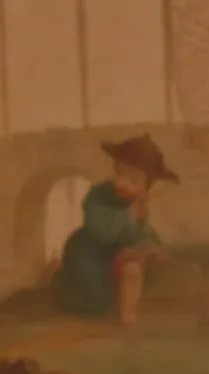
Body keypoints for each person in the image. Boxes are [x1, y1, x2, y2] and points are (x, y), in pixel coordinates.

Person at [51, 135, 174, 326]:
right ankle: (61, 285)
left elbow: (141, 230)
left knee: (133, 268)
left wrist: (153, 245)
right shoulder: (99, 195)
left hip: (117, 254)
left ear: (144, 187)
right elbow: (100, 229)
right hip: (90, 251)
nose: (123, 183)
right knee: (92, 298)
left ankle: (127, 317)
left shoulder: (137, 206)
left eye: (133, 181)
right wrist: (128, 215)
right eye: (120, 174)